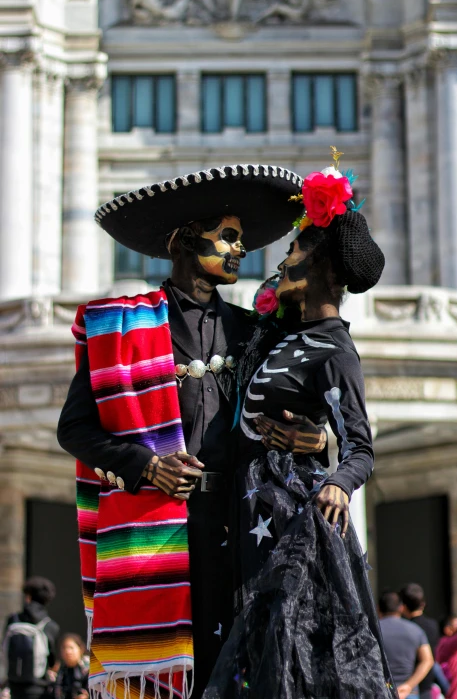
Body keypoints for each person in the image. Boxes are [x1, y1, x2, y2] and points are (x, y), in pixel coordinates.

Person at [57, 163, 327, 699]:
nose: (238, 250)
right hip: (159, 527)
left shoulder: (255, 331)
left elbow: (310, 415)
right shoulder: (119, 328)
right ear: (183, 240)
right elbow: (74, 431)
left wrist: (319, 439)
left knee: (246, 668)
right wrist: (145, 465)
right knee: (170, 674)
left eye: (241, 240)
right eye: (227, 236)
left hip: (242, 524)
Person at [203, 156, 397, 698]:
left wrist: (336, 477)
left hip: (289, 524)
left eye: (293, 251)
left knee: (287, 660)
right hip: (246, 515)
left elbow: (361, 447)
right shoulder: (277, 333)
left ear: (319, 269)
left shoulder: (336, 350)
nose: (282, 260)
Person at [3, 577, 59, 699]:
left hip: (14, 684)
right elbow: (52, 660)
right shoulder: (49, 625)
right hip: (37, 686)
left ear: (28, 596)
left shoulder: (13, 620)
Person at [380, 591, 434, 698]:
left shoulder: (371, 630)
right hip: (408, 693)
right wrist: (409, 685)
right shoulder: (416, 630)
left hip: (380, 691)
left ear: (378, 608)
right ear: (401, 608)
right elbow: (428, 660)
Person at [400, 583, 449, 699]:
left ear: (403, 606)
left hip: (410, 683)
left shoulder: (408, 628)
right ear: (423, 604)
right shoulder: (433, 625)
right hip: (427, 681)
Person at [54, 634, 89, 699]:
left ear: (80, 649)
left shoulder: (89, 668)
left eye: (71, 648)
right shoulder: (61, 671)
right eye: (64, 648)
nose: (68, 651)